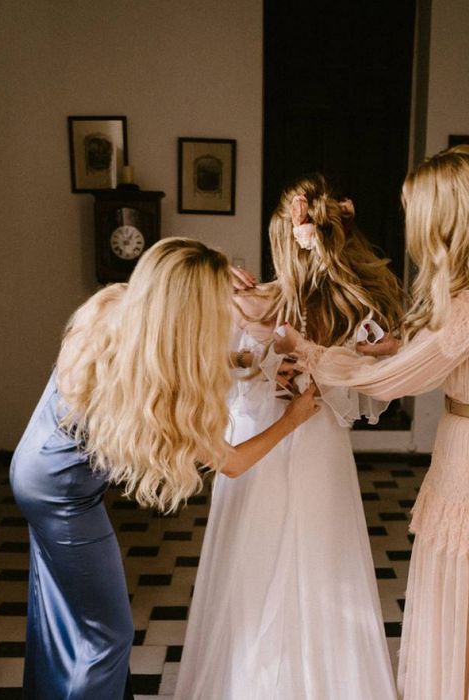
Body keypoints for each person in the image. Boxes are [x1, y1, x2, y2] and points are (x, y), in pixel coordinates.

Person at [276, 147, 469, 699]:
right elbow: (451, 352)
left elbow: (394, 381)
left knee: (465, 587)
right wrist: (399, 345)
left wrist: (311, 352)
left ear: (450, 219)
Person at [10, 238, 319, 700]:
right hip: (64, 493)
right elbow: (232, 463)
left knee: (62, 613)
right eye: (216, 302)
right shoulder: (163, 378)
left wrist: (244, 361)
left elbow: (164, 343)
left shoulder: (116, 305)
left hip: (33, 465)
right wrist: (293, 420)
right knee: (106, 634)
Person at [174, 175, 402, 700]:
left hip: (257, 446)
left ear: (282, 239)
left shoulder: (242, 304)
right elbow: (367, 394)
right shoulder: (351, 312)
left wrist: (260, 369)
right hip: (315, 446)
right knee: (324, 568)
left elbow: (213, 379)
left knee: (251, 571)